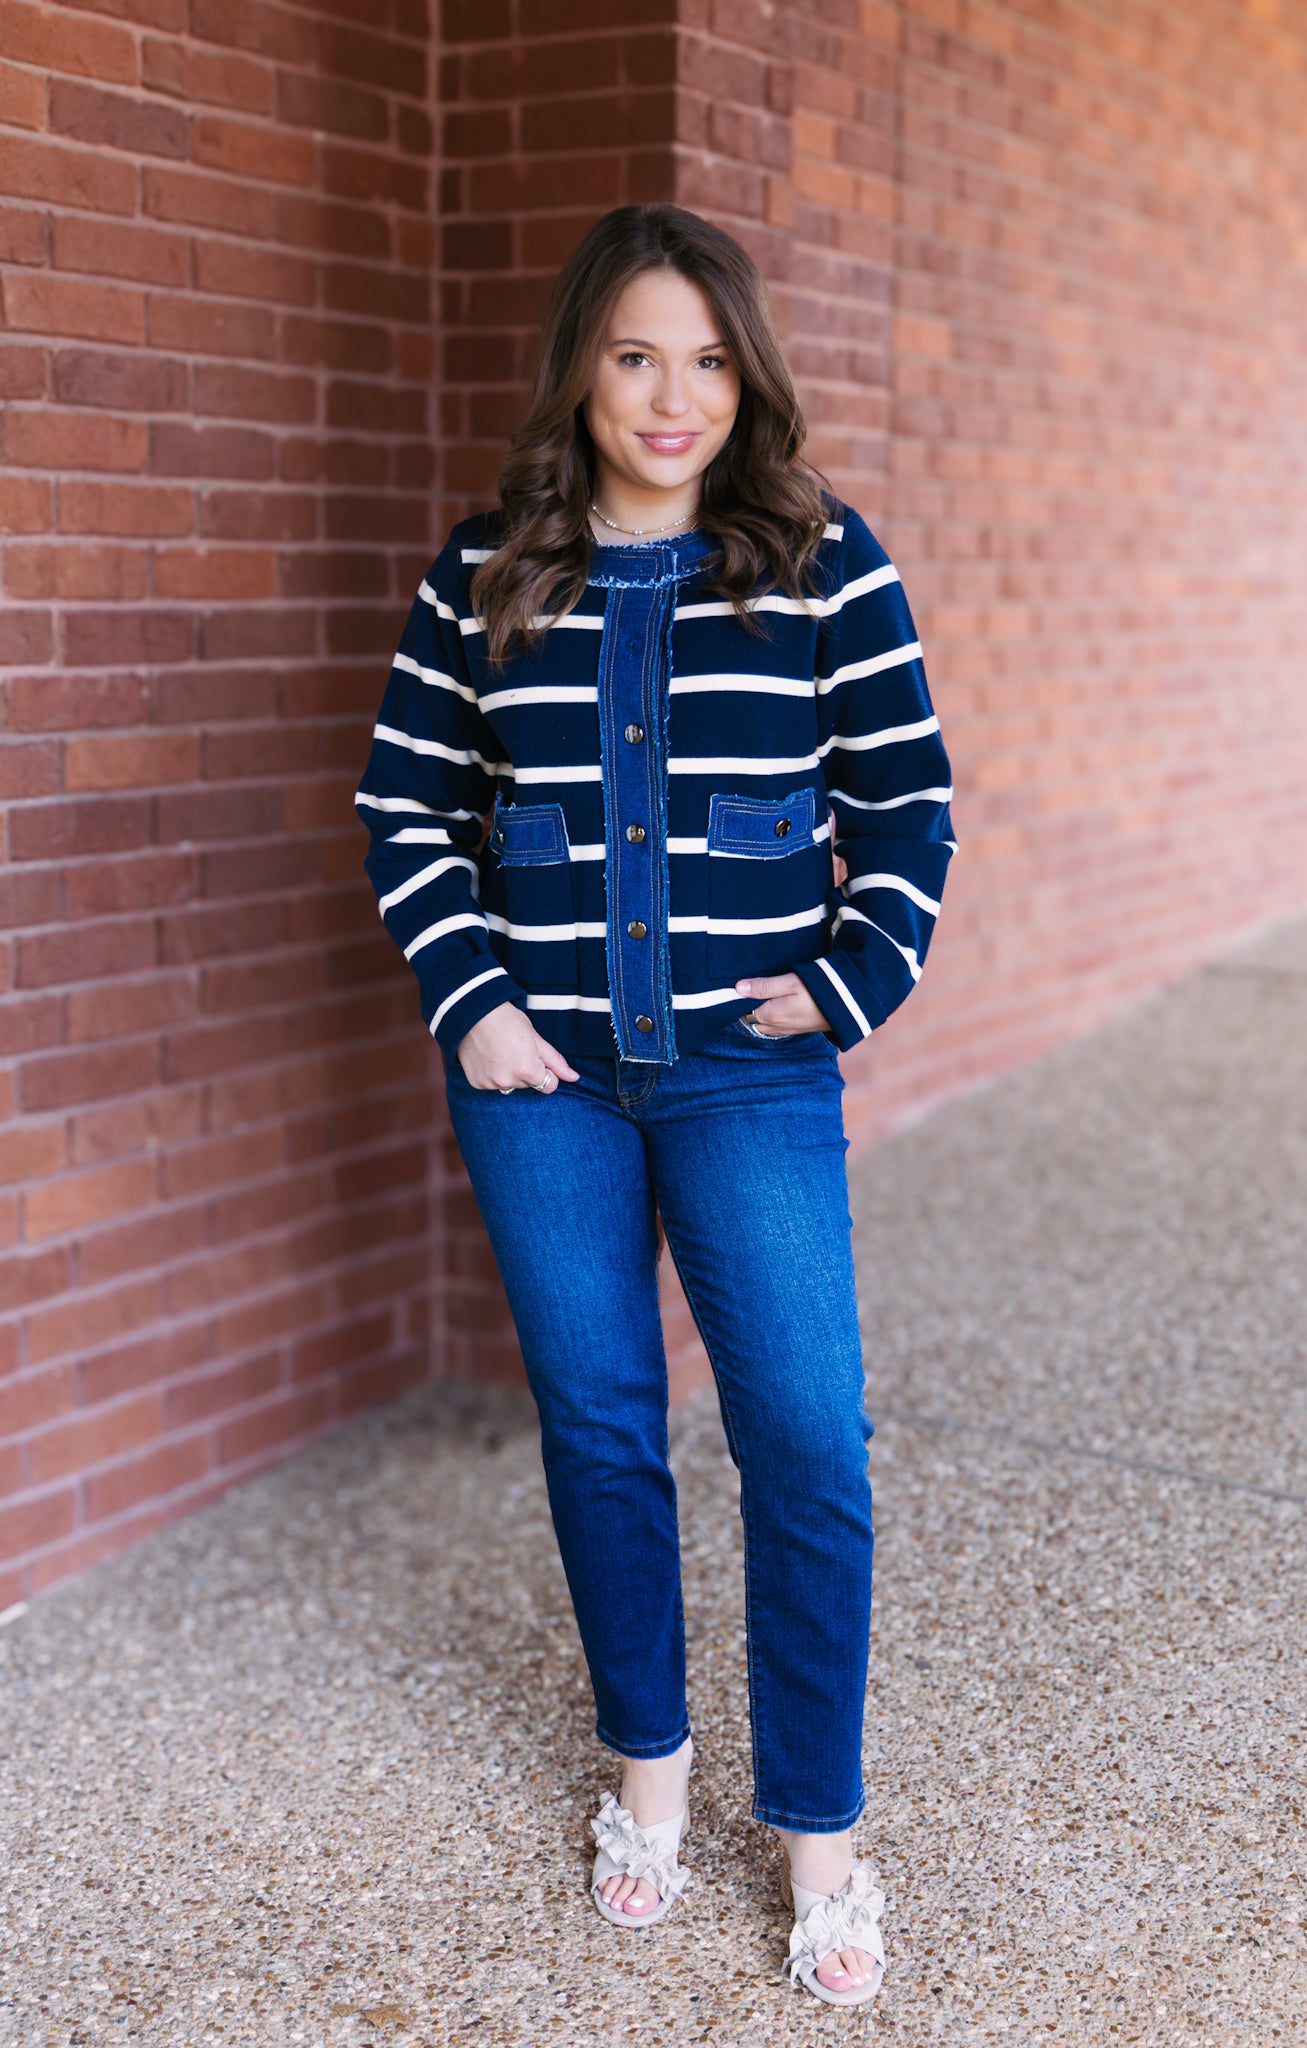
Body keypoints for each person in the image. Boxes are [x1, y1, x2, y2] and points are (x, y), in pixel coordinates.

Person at [355, 203, 955, 2008]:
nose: (669, 394)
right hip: (542, 1085)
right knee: (602, 1426)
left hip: (746, 1075)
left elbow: (910, 808)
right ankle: (650, 1778)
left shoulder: (820, 562)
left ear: (742, 374)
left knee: (805, 1441)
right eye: (633, 354)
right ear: (581, 371)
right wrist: (470, 1003)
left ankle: (823, 1835)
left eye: (704, 357)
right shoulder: (487, 568)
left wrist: (840, 985)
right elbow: (405, 807)